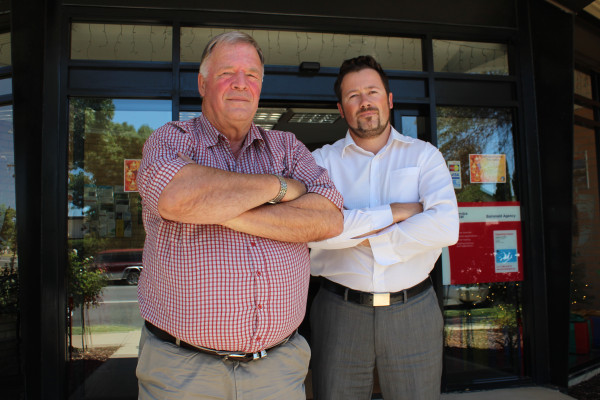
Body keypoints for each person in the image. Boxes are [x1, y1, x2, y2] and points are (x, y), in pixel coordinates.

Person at [135, 31, 344, 400]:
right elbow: (175, 197)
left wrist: (214, 209)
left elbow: (328, 219)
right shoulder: (171, 139)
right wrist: (278, 187)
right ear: (202, 83)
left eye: (251, 75)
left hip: (277, 370)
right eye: (226, 73)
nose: (240, 83)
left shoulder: (287, 147)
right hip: (183, 372)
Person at [309, 55, 459, 400]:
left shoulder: (424, 156)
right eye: (353, 95)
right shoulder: (321, 162)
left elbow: (445, 227)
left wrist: (357, 231)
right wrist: (399, 212)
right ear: (341, 108)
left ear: (389, 99)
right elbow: (314, 231)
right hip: (339, 312)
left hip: (414, 311)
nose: (364, 101)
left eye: (372, 91)